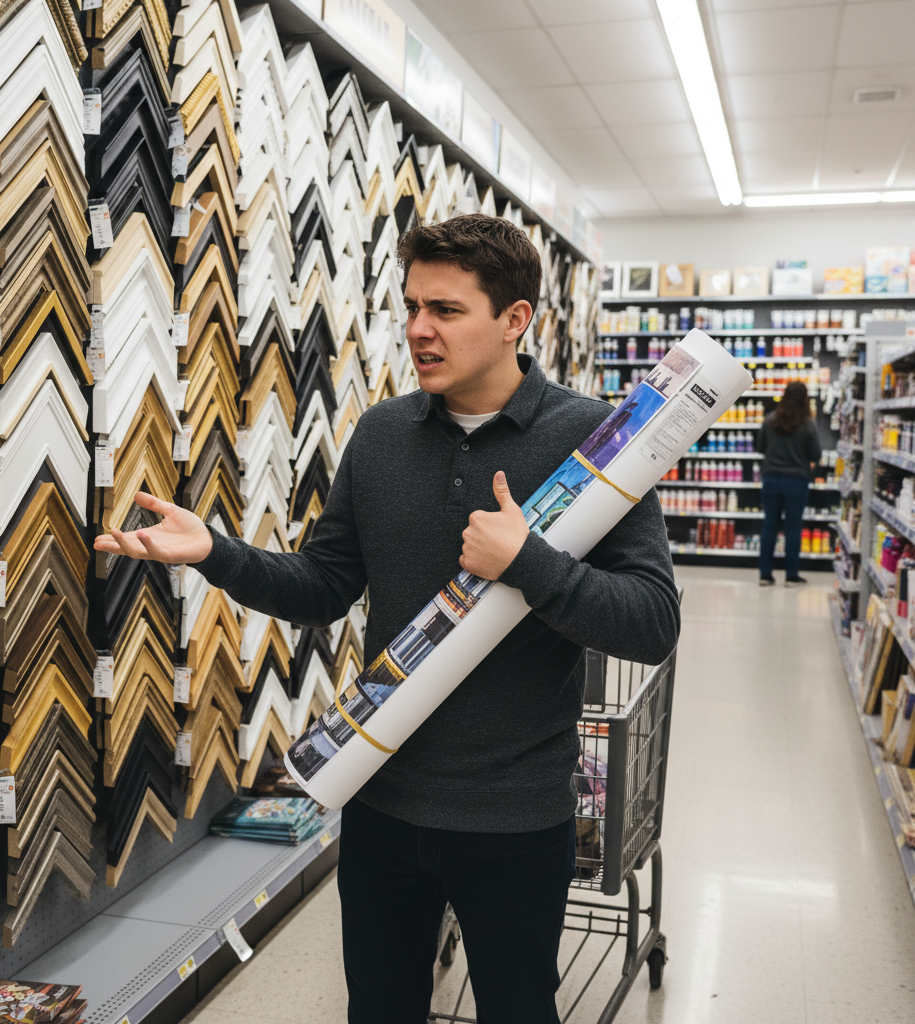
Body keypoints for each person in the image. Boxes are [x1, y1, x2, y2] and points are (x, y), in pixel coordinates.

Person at [95, 214, 680, 1023]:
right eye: (411, 307)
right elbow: (324, 585)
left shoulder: (592, 440)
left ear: (515, 319)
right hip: (378, 799)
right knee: (378, 1009)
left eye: (445, 310)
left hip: (514, 816)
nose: (418, 330)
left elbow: (651, 621)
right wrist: (214, 553)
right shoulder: (381, 435)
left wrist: (529, 562)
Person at [756, 380, 822, 587]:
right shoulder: (808, 424)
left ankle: (765, 575)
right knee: (793, 528)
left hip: (771, 479)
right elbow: (816, 454)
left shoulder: (770, 419)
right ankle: (791, 576)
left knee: (770, 525)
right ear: (805, 399)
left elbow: (760, 447)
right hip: (797, 481)